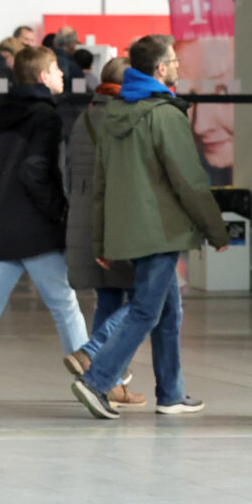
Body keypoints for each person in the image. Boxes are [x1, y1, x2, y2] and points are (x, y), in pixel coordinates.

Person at [66, 34, 227, 422]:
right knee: (145, 312)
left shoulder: (113, 114)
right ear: (160, 68)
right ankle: (97, 380)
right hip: (162, 232)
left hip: (131, 231)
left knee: (169, 313)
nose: (177, 67)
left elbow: (102, 185)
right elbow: (189, 180)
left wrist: (101, 240)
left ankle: (171, 393)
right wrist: (216, 230)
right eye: (173, 61)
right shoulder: (165, 115)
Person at [0, 45, 86, 406]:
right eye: (56, 69)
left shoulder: (0, 113)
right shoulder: (46, 116)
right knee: (65, 304)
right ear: (43, 76)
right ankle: (93, 376)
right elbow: (35, 170)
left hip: (2, 224)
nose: (62, 75)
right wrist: (58, 210)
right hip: (35, 228)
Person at [62, 57, 144, 412]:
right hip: (116, 220)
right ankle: (91, 353)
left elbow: (69, 174)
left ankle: (112, 385)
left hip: (84, 218)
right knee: (147, 300)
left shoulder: (84, 117)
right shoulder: (124, 117)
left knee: (108, 300)